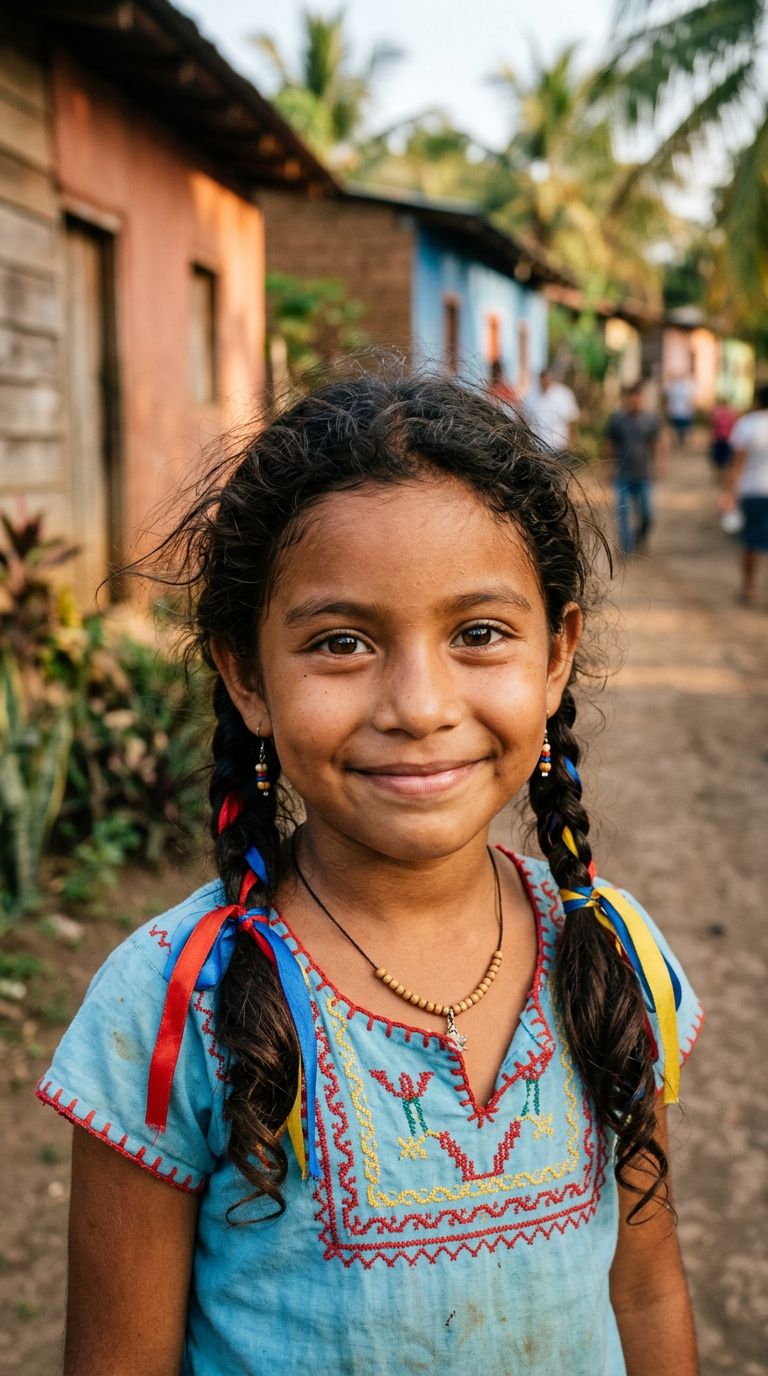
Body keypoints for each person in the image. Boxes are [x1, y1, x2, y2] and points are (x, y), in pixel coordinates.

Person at [37, 372, 702, 1375]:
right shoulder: (175, 1002)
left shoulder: (611, 955)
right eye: (342, 641)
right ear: (247, 675)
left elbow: (645, 1288)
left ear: (556, 653)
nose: (420, 703)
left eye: (479, 633)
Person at [723, 381, 768, 605]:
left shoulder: (747, 425)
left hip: (751, 491)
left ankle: (748, 588)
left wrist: (729, 492)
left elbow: (738, 462)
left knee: (750, 542)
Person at [605, 382, 664, 555]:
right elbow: (608, 444)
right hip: (622, 474)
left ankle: (640, 537)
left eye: (638, 397)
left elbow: (657, 443)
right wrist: (607, 466)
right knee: (623, 512)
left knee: (647, 513)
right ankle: (626, 548)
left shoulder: (650, 420)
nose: (635, 401)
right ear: (627, 399)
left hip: (643, 474)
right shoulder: (617, 420)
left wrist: (659, 464)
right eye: (632, 397)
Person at [524, 366, 579, 453]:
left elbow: (571, 420)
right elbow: (526, 419)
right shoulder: (530, 395)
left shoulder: (563, 394)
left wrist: (572, 443)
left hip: (559, 446)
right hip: (537, 447)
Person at [709, 394, 740, 483]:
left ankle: (721, 476)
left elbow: (712, 425)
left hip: (720, 438)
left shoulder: (716, 412)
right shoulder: (732, 413)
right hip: (727, 439)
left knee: (719, 460)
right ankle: (723, 477)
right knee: (726, 459)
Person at [664, 372, 695, 450]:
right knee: (676, 427)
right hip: (676, 411)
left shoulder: (685, 387)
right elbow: (670, 399)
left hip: (683, 411)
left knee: (682, 428)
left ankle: (681, 440)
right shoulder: (673, 387)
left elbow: (688, 400)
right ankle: (678, 440)